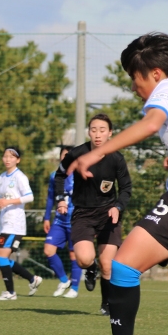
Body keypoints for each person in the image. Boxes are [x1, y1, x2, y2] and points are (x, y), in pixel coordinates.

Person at [73, 33, 168, 335]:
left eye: (134, 78)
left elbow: (150, 125)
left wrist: (97, 151)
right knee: (121, 267)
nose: (134, 87)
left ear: (155, 74)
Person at [55, 114, 132, 315]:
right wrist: (61, 198)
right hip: (83, 213)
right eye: (94, 130)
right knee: (83, 259)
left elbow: (126, 188)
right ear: (89, 132)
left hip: (109, 214)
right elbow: (60, 175)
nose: (98, 134)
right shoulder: (77, 153)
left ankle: (106, 304)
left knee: (108, 265)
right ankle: (90, 268)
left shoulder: (116, 157)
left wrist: (118, 207)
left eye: (102, 130)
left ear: (110, 133)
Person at [0, 147, 42, 300]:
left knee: (0, 258)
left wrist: (7, 201)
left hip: (15, 224)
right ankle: (33, 279)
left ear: (17, 160)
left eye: (12, 157)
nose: (7, 159)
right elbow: (4, 199)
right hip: (4, 223)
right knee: (3, 258)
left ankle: (10, 293)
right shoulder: (2, 177)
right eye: (5, 156)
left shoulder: (20, 177)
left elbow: (29, 197)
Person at [43, 146, 83, 298]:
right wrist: (46, 217)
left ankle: (74, 288)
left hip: (75, 221)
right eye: (64, 155)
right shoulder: (55, 176)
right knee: (48, 250)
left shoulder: (80, 176)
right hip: (59, 221)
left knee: (74, 255)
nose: (67, 158)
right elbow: (50, 198)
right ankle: (64, 280)